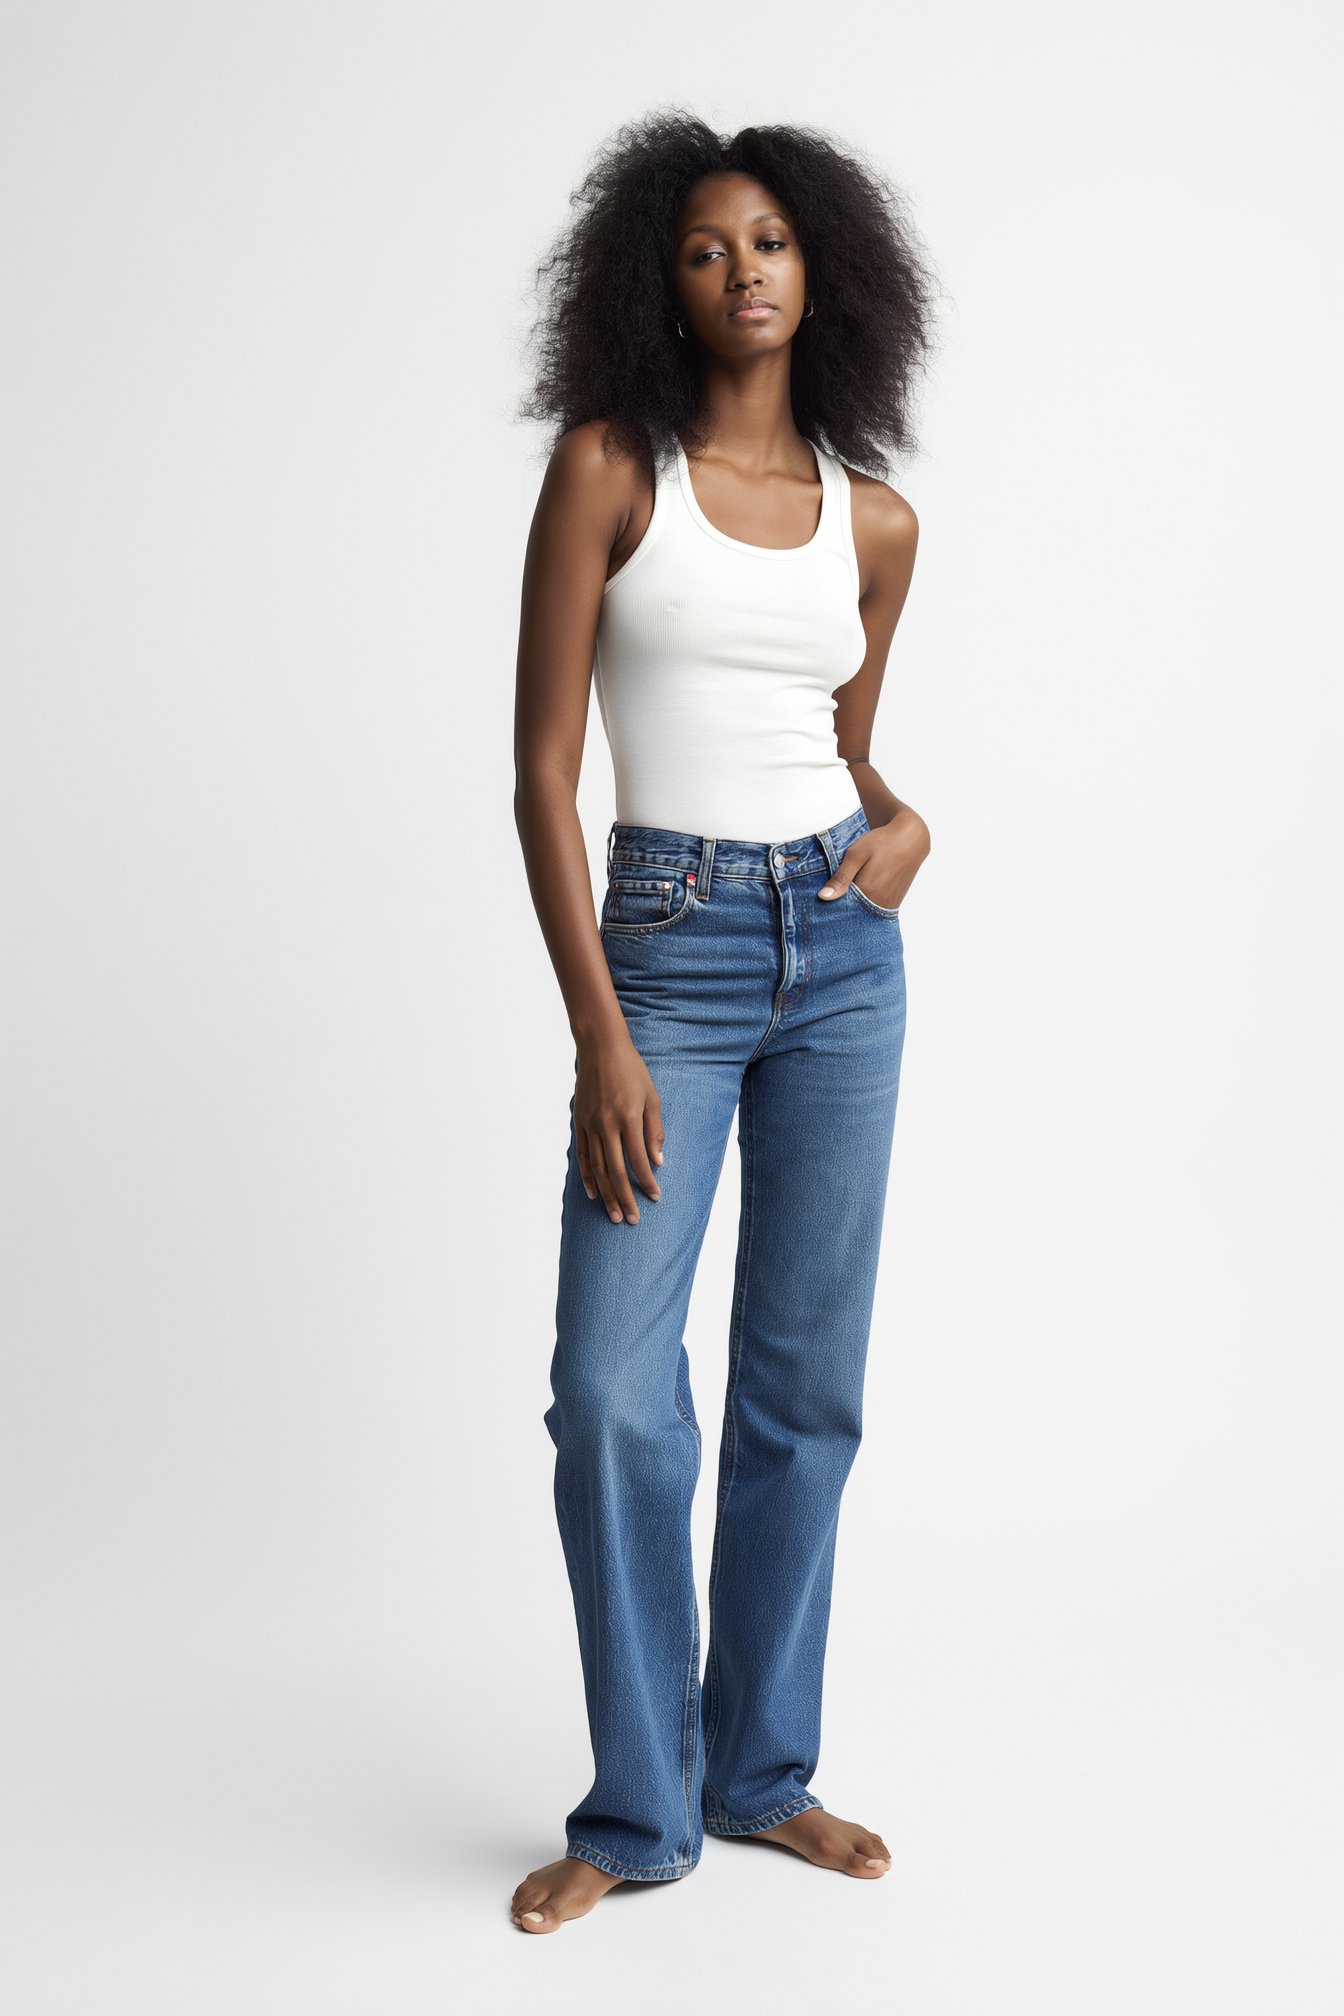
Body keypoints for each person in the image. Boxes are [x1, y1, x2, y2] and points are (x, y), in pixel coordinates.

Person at [510, 113, 934, 1933]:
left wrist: (906, 828)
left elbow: (845, 753)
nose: (743, 268)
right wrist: (602, 1036)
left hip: (842, 955)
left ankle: (761, 1776)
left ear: (822, 271)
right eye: (705, 246)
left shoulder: (877, 519)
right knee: (613, 1395)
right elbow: (542, 772)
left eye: (769, 240)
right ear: (659, 282)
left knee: (802, 1390)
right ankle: (638, 1810)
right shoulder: (613, 469)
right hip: (665, 953)